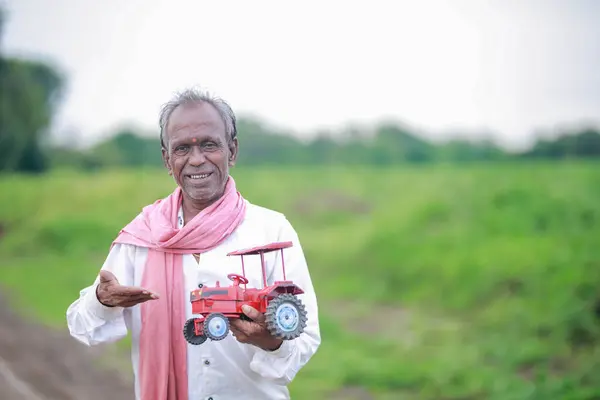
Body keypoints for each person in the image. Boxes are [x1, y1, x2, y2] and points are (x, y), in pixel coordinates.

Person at [66, 87, 321, 400]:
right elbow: (83, 327)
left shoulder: (272, 229)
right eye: (182, 148)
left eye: (210, 145)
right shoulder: (142, 238)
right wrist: (101, 300)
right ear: (166, 159)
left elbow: (306, 338)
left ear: (233, 150)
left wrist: (272, 342)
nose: (197, 160)